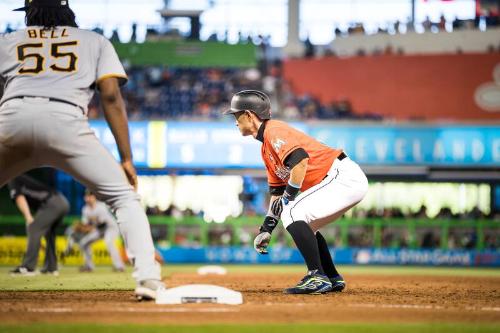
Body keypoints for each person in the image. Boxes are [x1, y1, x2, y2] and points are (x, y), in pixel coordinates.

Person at [0, 0, 163, 300]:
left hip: (11, 117)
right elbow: (111, 97)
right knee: (125, 197)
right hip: (67, 121)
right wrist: (126, 159)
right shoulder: (94, 41)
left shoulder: (8, 40)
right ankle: (148, 281)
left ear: (29, 13)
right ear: (68, 11)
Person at [223, 90, 368, 294]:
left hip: (342, 176)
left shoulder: (274, 130)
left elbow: (300, 161)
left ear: (249, 114)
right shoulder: (266, 148)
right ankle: (332, 276)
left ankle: (316, 276)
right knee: (304, 221)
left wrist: (288, 199)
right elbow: (277, 193)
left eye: (236, 115)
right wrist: (266, 228)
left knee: (292, 211)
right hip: (340, 180)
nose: (235, 121)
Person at [8, 174, 69, 276]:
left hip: (52, 203)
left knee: (34, 229)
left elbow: (19, 197)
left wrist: (28, 218)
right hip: (62, 202)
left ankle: (28, 267)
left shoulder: (12, 178)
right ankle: (51, 268)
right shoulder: (20, 177)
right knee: (49, 234)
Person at [78, 190, 125, 272]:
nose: (88, 198)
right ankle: (89, 266)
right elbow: (85, 224)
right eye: (87, 196)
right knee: (84, 243)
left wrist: (87, 228)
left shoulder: (101, 206)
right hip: (99, 230)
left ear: (94, 197)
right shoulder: (85, 209)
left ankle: (119, 266)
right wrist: (81, 227)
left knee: (109, 241)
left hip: (110, 227)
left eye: (90, 196)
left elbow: (102, 224)